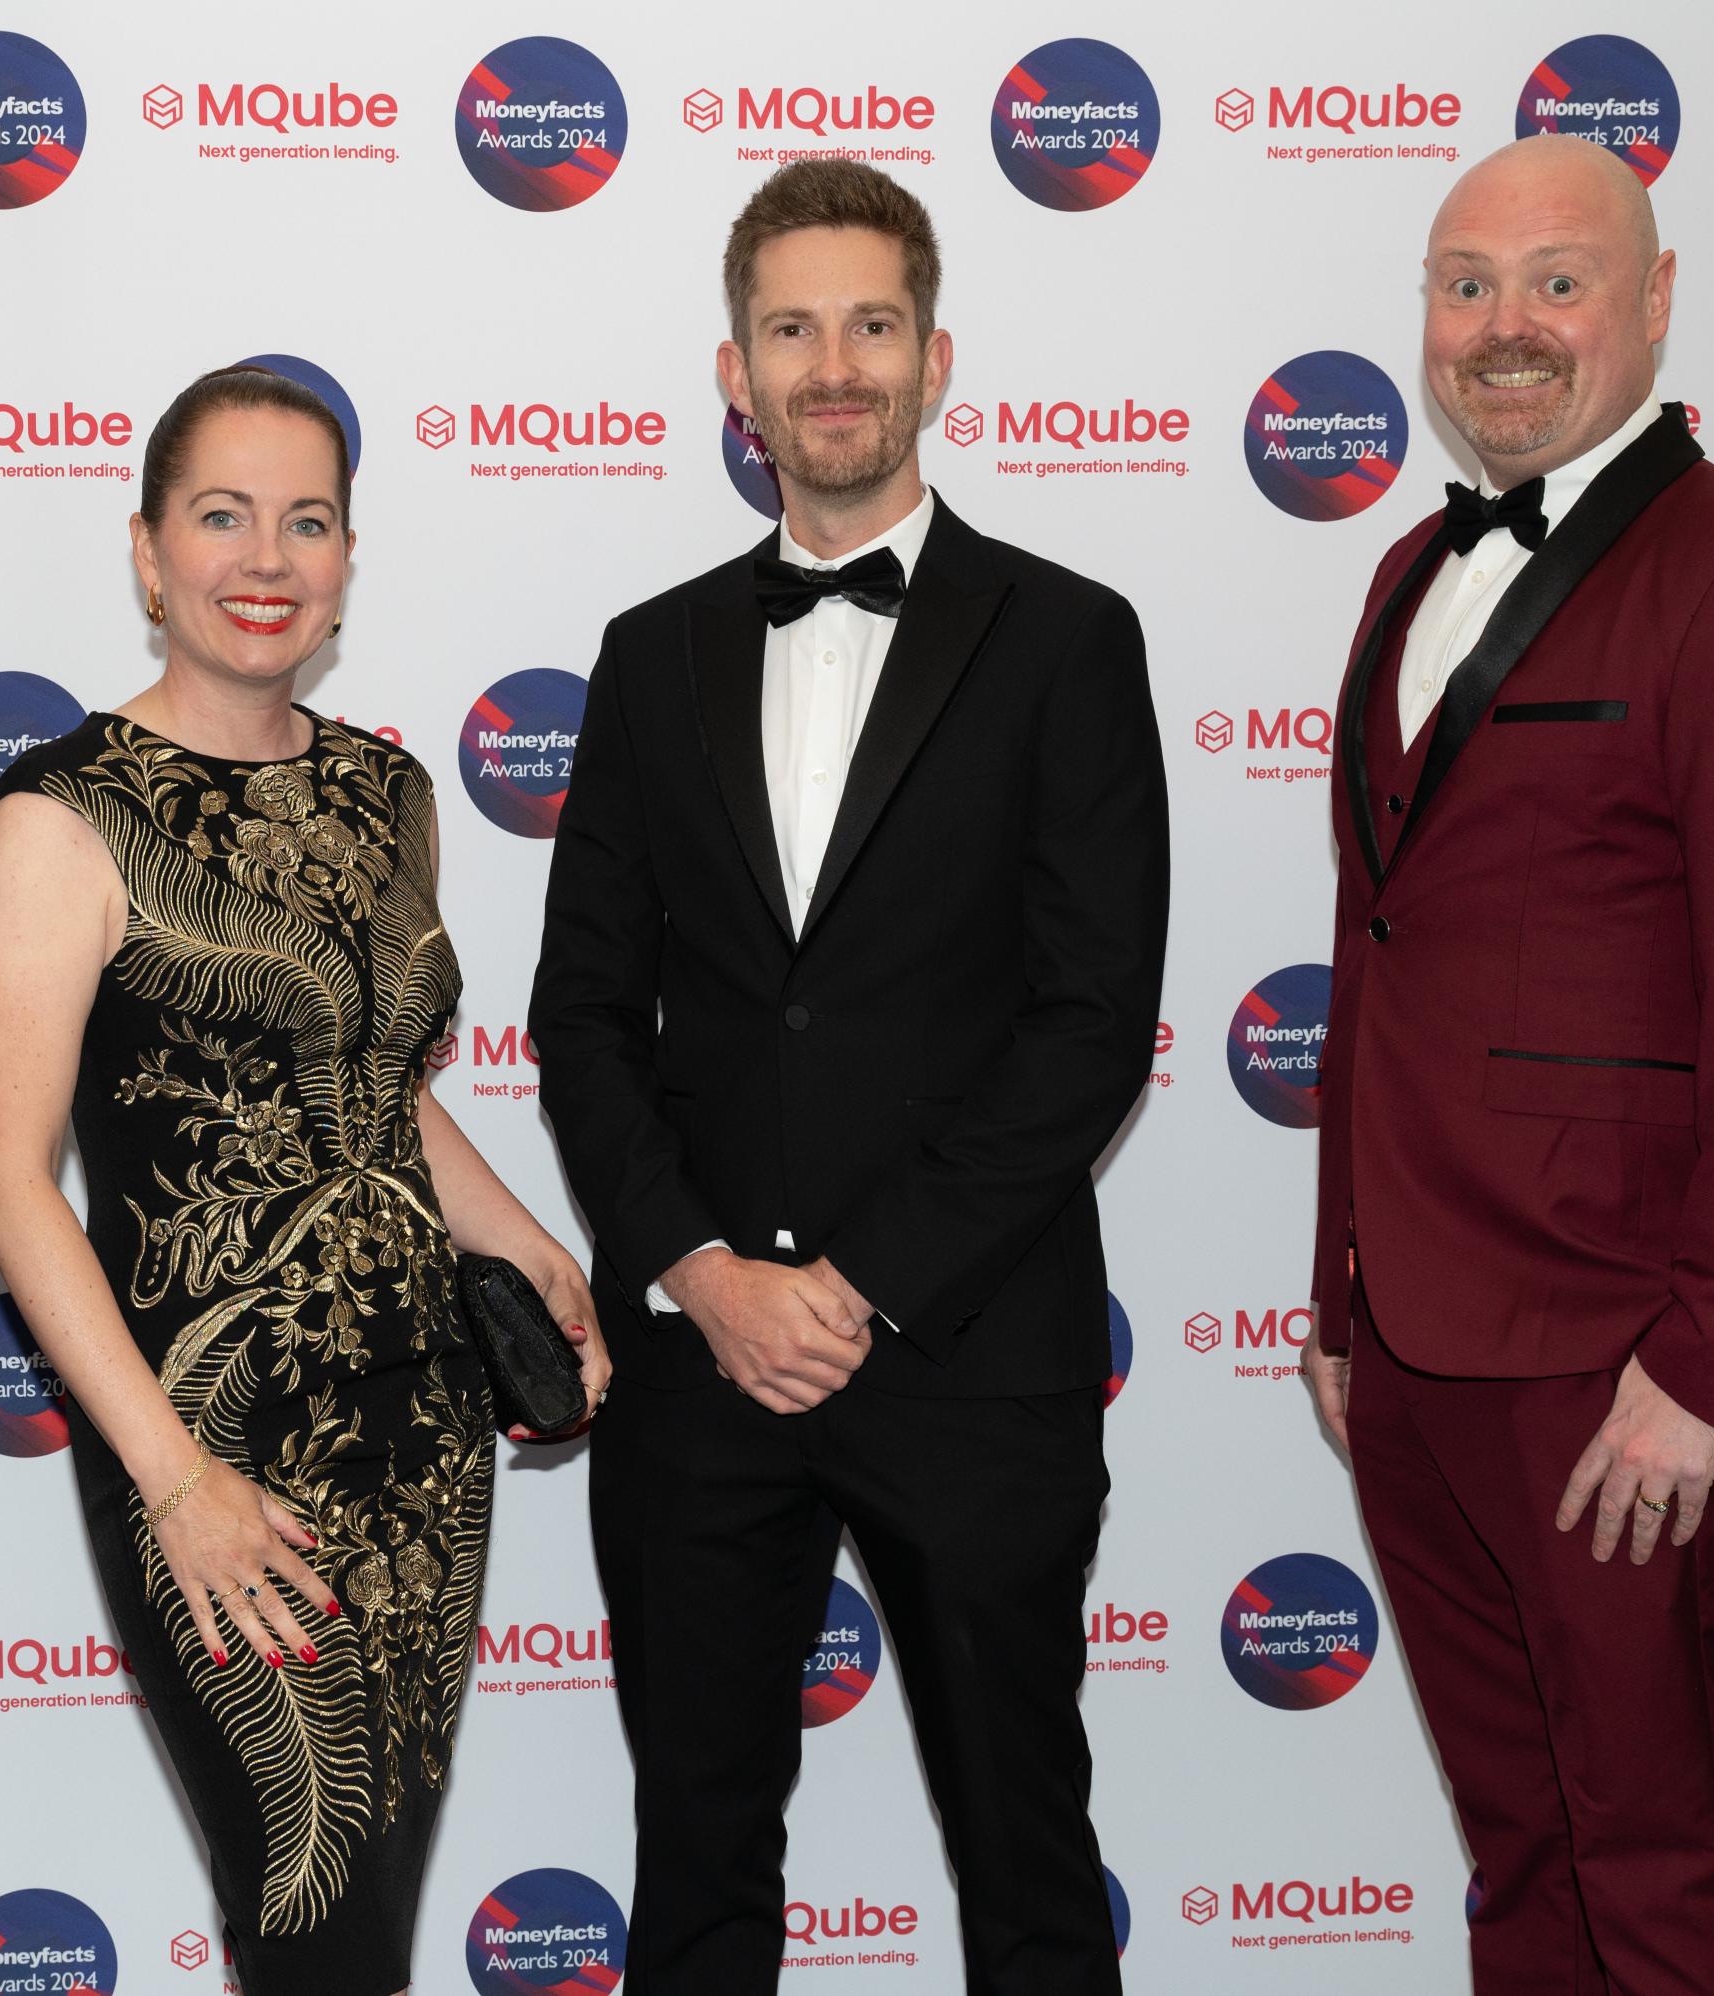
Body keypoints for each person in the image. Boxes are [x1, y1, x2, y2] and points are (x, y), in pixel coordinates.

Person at [530, 160, 1168, 1993]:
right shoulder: (648, 656)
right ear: (734, 374)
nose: (833, 367)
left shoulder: (1070, 639)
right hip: (699, 1364)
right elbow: (586, 1016)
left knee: (1027, 1864)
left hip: (971, 1358)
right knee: (698, 1872)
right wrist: (708, 1275)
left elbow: (1091, 1024)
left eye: (871, 325)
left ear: (935, 359)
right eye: (792, 330)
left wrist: (864, 1282)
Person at [1301, 134, 1714, 1994]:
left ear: (1653, 302)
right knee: (1523, 1850)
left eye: (1558, 282)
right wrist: (1337, 1295)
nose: (1506, 325)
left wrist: (1712, 1372)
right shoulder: (1409, 571)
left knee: (1662, 1861)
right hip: (1408, 1349)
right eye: (1467, 284)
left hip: (1618, 1362)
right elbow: (1381, 947)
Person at [0, 364, 609, 1996]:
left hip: (423, 1424)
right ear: (148, 551)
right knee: (308, 1897)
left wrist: (534, 1251)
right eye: (223, 516)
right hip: (211, 1437)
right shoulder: (61, 816)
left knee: (366, 1916)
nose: (267, 559)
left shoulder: (392, 792)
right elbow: (8, 1181)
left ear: (347, 558)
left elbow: (374, 1097)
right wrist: (174, 1480)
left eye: (307, 522)